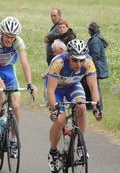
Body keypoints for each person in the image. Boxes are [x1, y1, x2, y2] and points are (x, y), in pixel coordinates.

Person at [47, 39, 101, 173]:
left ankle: (80, 144)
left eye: (81, 60)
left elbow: (93, 87)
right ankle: (53, 152)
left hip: (73, 86)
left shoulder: (88, 63)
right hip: (56, 90)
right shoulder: (58, 62)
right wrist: (55, 110)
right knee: (60, 119)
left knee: (81, 107)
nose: (78, 64)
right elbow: (50, 90)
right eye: (75, 60)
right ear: (68, 56)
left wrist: (96, 108)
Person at [0, 16, 36, 157]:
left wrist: (30, 83)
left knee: (16, 106)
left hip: (9, 71)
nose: (9, 39)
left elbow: (24, 63)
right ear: (1, 32)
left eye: (12, 37)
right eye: (7, 36)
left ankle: (14, 139)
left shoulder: (18, 42)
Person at [81, 22, 109, 112]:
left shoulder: (95, 40)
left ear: (91, 30)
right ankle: (91, 107)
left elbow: (95, 55)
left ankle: (98, 108)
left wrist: (88, 63)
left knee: (95, 88)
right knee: (92, 87)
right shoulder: (96, 39)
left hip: (95, 68)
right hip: (95, 67)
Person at [40, 39, 67, 107]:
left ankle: (49, 101)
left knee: (48, 81)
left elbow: (51, 71)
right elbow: (51, 69)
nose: (54, 54)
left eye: (55, 51)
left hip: (62, 80)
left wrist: (45, 75)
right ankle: (48, 100)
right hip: (59, 79)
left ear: (61, 49)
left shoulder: (62, 58)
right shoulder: (57, 58)